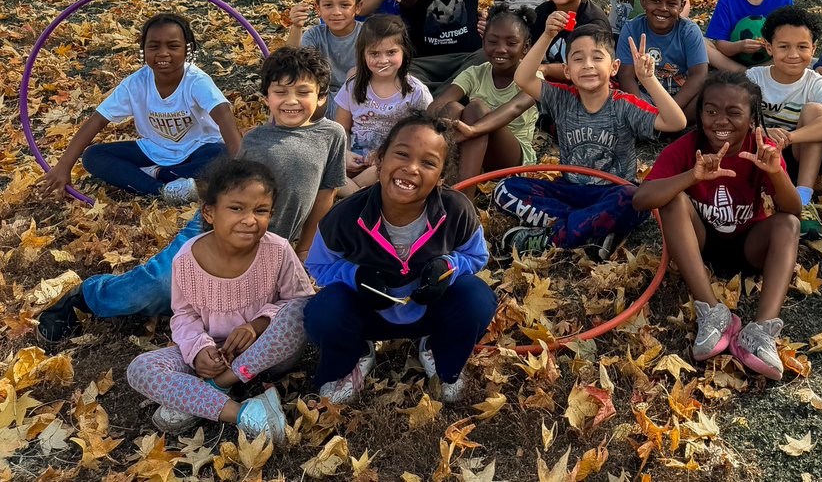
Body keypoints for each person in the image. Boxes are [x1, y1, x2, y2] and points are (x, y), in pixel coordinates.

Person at [38, 48, 345, 343]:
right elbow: (227, 195)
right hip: (214, 232)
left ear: (321, 96)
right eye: (281, 92)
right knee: (160, 286)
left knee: (245, 317)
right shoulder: (256, 140)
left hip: (268, 248)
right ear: (266, 98)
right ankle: (89, 296)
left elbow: (324, 194)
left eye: (303, 92)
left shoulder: (332, 136)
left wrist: (305, 249)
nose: (292, 101)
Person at [303, 114, 496, 405]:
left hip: (430, 310)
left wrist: (449, 267)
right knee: (322, 312)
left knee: (478, 299)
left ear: (441, 176)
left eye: (428, 163)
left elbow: (477, 256)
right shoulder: (345, 217)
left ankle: (437, 349)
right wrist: (354, 276)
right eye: (402, 154)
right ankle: (356, 354)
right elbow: (317, 265)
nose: (411, 168)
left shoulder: (456, 210)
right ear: (380, 159)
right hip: (369, 314)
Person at [125, 159, 311, 443]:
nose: (250, 219)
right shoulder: (187, 259)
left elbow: (300, 301)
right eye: (236, 208)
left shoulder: (277, 250)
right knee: (141, 368)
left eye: (260, 211)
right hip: (213, 350)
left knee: (302, 312)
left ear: (271, 214)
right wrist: (200, 351)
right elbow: (184, 316)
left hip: (264, 353)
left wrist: (256, 326)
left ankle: (217, 386)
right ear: (209, 213)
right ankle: (245, 413)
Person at [633, 73, 803, 380]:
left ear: (752, 120)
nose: (720, 121)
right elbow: (641, 199)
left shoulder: (760, 150)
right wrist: (692, 177)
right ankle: (713, 312)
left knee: (788, 225)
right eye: (711, 111)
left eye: (734, 112)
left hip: (749, 246)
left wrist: (776, 173)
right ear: (700, 115)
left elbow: (793, 211)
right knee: (671, 200)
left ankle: (761, 332)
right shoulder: (687, 147)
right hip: (697, 244)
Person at [493, 20, 687, 257]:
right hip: (570, 192)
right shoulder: (561, 98)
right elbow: (523, 78)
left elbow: (676, 122)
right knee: (505, 189)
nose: (587, 66)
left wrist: (648, 80)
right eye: (577, 59)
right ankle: (591, 228)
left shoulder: (624, 105)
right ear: (567, 71)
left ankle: (553, 237)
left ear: (614, 67)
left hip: (612, 193)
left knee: (633, 199)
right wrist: (547, 34)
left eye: (597, 58)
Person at [42, 12, 239, 204]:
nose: (163, 53)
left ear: (188, 49)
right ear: (143, 49)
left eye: (173, 46)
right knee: (93, 156)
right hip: (154, 150)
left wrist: (243, 168)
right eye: (154, 46)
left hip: (199, 148)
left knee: (223, 155)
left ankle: (153, 175)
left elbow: (224, 116)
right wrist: (63, 165)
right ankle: (163, 191)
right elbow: (97, 120)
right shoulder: (136, 83)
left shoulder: (196, 80)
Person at [746, 7, 822, 241]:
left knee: (815, 110)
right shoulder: (754, 77)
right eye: (784, 46)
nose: (793, 54)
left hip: (799, 156)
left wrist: (791, 137)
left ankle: (804, 199)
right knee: (743, 111)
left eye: (802, 47)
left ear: (813, 49)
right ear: (769, 47)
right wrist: (765, 133)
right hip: (760, 153)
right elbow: (737, 116)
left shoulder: (815, 83)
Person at [429, 5, 539, 196]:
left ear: (526, 47)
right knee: (452, 107)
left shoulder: (532, 79)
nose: (501, 49)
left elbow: (513, 108)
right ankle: (443, 182)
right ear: (483, 42)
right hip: (474, 152)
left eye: (512, 43)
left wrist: (473, 130)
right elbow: (437, 105)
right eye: (493, 41)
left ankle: (463, 198)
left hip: (511, 160)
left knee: (477, 108)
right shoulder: (475, 73)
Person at [334, 16, 432, 195]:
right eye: (374, 54)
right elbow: (341, 127)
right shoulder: (353, 86)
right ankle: (357, 193)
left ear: (404, 52)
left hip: (393, 160)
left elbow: (422, 135)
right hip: (355, 158)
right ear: (362, 54)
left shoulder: (416, 92)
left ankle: (350, 193)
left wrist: (384, 154)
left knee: (384, 169)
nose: (383, 60)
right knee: (325, 164)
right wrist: (344, 154)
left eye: (391, 52)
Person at [616, 0, 709, 123]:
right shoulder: (631, 29)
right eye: (656, 1)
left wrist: (671, 109)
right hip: (644, 96)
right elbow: (626, 75)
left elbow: (699, 75)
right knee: (613, 94)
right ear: (643, 0)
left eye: (671, 3)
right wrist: (645, 111)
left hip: (681, 99)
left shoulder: (689, 31)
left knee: (709, 95)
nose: (663, 8)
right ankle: (655, 124)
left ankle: (669, 125)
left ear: (681, 6)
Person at [287, 0, 363, 117]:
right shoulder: (314, 35)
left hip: (360, 100)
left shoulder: (368, 34)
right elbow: (290, 64)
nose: (336, 12)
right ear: (318, 8)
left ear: (358, 7)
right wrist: (296, 27)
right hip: (324, 99)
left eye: (345, 5)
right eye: (328, 5)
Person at [530, 0, 609, 83]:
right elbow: (530, 54)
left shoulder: (593, 21)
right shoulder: (541, 12)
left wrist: (546, 69)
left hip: (583, 88)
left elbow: (590, 68)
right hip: (543, 83)